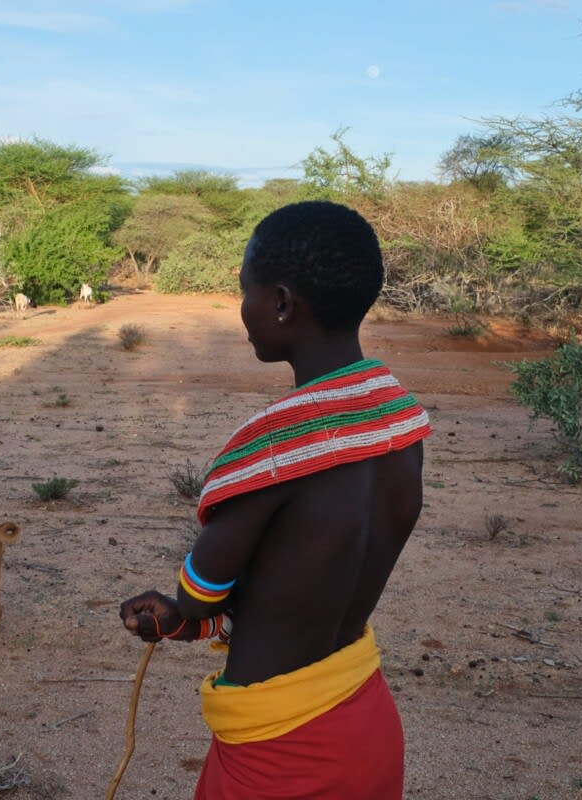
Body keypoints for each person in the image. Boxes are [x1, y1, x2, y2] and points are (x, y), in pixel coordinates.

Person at [119, 200, 431, 799]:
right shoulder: (400, 424)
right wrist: (195, 621)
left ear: (283, 303)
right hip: (362, 717)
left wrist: (184, 609)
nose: (242, 310)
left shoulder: (274, 447)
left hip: (278, 753)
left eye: (246, 291)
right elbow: (307, 580)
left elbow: (199, 590)